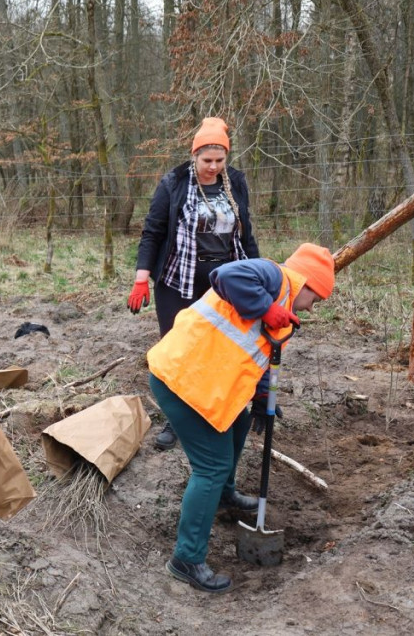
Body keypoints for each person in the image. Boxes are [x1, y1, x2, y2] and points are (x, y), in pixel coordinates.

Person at [147, 243, 334, 593]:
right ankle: (186, 558)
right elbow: (226, 275)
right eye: (316, 299)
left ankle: (223, 496)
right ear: (307, 283)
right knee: (211, 466)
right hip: (182, 378)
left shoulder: (282, 306)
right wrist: (267, 308)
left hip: (205, 382)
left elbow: (260, 352)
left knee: (240, 422)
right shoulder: (272, 276)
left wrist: (261, 395)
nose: (312, 307)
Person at [128, 117, 259, 451]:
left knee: (219, 348)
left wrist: (259, 273)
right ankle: (177, 421)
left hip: (224, 283)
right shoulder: (174, 182)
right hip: (178, 281)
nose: (213, 167)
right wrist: (142, 278)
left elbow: (246, 233)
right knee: (179, 350)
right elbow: (153, 231)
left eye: (219, 160)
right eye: (207, 160)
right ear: (194, 155)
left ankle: (213, 411)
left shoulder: (236, 182)